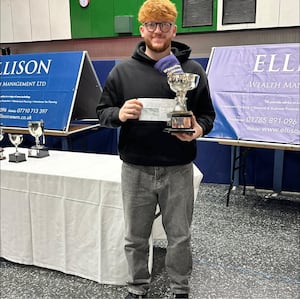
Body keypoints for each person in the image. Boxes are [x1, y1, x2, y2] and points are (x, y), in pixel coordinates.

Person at [96, 0, 215, 298]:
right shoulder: (122, 72)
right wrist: (119, 114)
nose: (157, 31)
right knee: (135, 237)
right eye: (151, 24)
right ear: (142, 29)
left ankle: (180, 289)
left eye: (164, 24)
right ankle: (137, 288)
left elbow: (207, 115)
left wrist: (198, 129)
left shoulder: (192, 70)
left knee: (179, 237)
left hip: (178, 168)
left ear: (174, 29)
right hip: (135, 169)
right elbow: (102, 112)